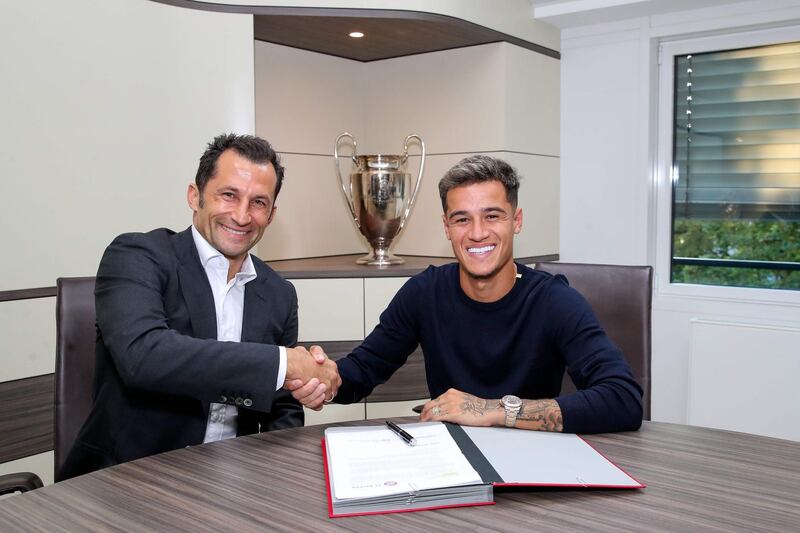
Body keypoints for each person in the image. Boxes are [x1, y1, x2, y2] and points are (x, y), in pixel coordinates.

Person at [289, 155, 642, 434]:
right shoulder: (424, 293)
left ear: (516, 221)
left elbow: (623, 399)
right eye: (461, 219)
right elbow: (364, 370)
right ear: (447, 227)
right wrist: (328, 378)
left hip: (534, 463)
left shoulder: (555, 301)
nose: (477, 233)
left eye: (492, 216)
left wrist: (490, 410)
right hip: (450, 461)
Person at [60, 134, 339, 480]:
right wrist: (286, 363)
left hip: (234, 483)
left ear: (271, 214)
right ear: (195, 196)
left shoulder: (279, 294)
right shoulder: (137, 256)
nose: (241, 215)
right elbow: (145, 356)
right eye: (228, 195)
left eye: (258, 203)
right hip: (128, 482)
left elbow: (282, 408)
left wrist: (302, 384)